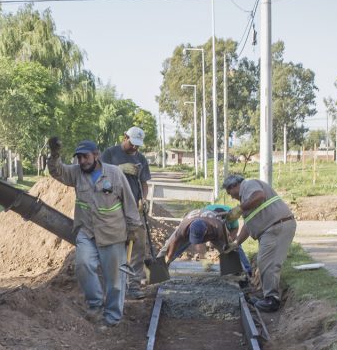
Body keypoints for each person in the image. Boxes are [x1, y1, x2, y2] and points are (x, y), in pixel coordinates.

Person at [46, 137, 141, 327]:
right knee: (83, 265)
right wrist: (55, 155)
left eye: (85, 157)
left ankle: (112, 317)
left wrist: (132, 228)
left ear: (96, 155)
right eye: (79, 158)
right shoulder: (76, 173)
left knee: (114, 280)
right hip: (87, 232)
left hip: (113, 234)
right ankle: (95, 305)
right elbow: (57, 171)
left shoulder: (114, 174)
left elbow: (129, 202)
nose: (82, 161)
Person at [222, 174, 296, 312]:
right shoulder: (246, 198)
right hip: (272, 228)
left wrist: (239, 209)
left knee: (268, 263)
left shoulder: (248, 185)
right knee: (264, 262)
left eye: (229, 192)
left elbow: (259, 196)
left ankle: (272, 300)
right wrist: (236, 242)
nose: (231, 196)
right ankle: (268, 296)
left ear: (234, 186)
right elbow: (248, 226)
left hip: (275, 227)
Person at [100, 127, 151, 296]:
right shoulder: (110, 154)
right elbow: (98, 174)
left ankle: (133, 286)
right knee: (114, 245)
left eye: (138, 145)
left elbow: (144, 183)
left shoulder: (141, 159)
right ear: (125, 137)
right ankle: (112, 285)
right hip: (113, 206)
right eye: (132, 144)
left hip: (134, 208)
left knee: (138, 245)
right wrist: (118, 169)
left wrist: (144, 199)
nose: (135, 148)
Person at [157, 205, 252, 273]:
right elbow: (174, 242)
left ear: (206, 232)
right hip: (192, 222)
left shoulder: (218, 227)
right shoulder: (184, 227)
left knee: (233, 247)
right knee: (167, 247)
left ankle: (245, 272)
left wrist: (228, 251)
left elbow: (229, 242)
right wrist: (168, 257)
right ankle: (156, 272)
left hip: (213, 230)